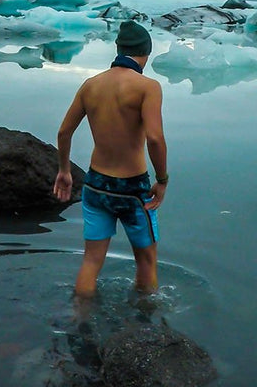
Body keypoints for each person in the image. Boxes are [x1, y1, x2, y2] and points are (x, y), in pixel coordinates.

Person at [52, 20, 169, 298]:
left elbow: (64, 132)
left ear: (118, 49)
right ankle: (146, 325)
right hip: (133, 189)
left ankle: (79, 319)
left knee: (91, 260)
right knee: (146, 260)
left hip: (95, 185)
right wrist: (162, 180)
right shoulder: (147, 86)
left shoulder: (91, 84)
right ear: (145, 54)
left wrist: (64, 170)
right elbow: (154, 138)